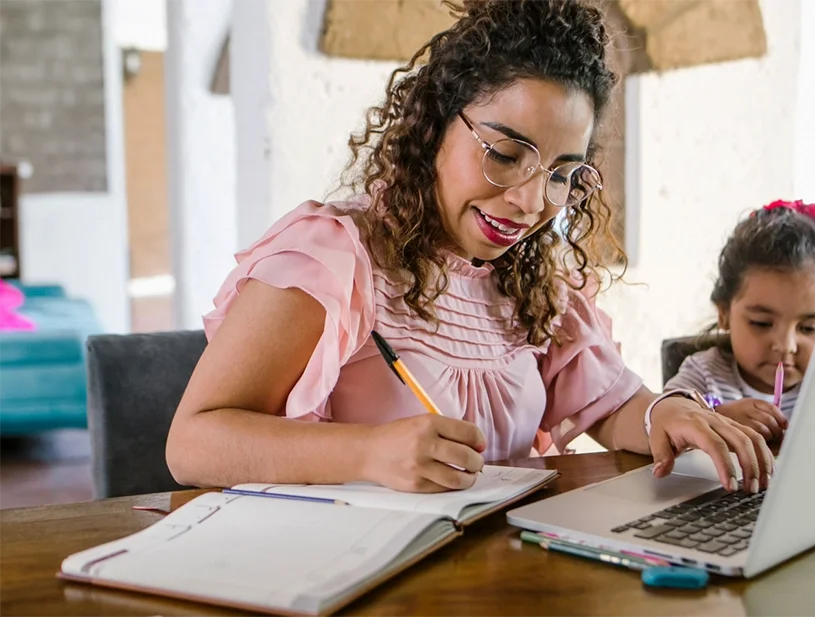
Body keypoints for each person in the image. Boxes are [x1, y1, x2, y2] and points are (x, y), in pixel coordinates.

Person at [164, 0, 771, 495]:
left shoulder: (530, 280)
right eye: (506, 155)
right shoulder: (334, 259)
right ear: (434, 124)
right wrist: (368, 452)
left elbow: (608, 405)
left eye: (561, 173)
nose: (533, 203)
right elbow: (193, 445)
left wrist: (666, 414)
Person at [663, 200, 815, 442]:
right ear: (724, 314)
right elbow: (665, 421)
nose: (786, 345)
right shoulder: (704, 374)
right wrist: (717, 418)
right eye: (762, 323)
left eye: (809, 328)